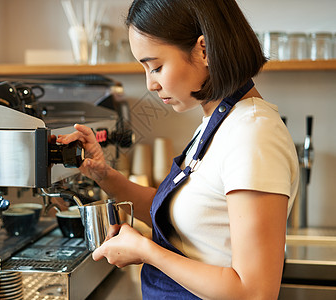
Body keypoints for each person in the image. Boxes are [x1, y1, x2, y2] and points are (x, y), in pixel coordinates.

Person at [57, 0, 299, 299]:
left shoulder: (253, 134)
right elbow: (180, 214)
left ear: (204, 50)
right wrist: (103, 174)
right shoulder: (219, 123)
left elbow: (254, 292)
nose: (151, 84)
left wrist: (147, 251)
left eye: (156, 66)